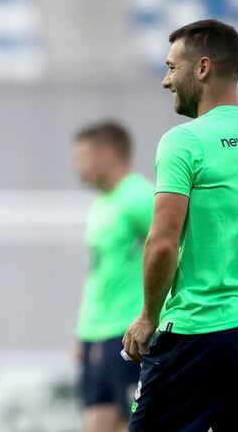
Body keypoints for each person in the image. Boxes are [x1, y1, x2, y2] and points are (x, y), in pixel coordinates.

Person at [123, 19, 238, 430]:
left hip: (200, 325)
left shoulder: (185, 141)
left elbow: (161, 243)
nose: (166, 81)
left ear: (202, 68)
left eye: (171, 67)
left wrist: (148, 316)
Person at [72, 121, 152, 432]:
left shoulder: (139, 196)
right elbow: (100, 272)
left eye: (82, 156)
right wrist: (83, 334)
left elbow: (174, 247)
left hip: (126, 334)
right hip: (96, 334)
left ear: (107, 154)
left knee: (134, 424)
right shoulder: (102, 202)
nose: (76, 166)